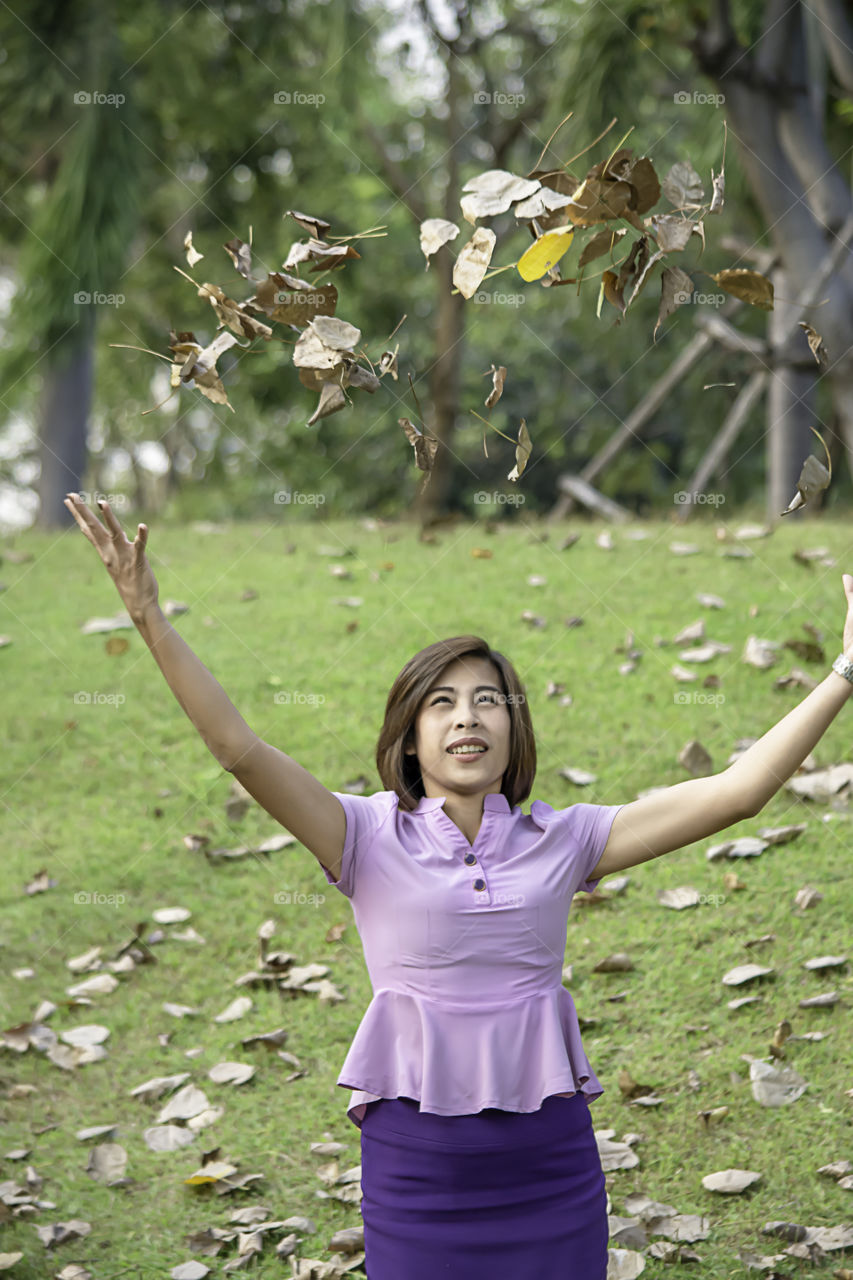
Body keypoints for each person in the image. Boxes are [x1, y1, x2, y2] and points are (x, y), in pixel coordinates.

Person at [63, 492, 853, 1279]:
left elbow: (738, 791)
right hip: (418, 1172)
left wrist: (845, 672)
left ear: (514, 735)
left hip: (550, 1166)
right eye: (440, 703)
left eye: (487, 701)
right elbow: (237, 749)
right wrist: (149, 619)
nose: (466, 717)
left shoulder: (566, 837)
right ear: (409, 741)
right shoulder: (362, 834)